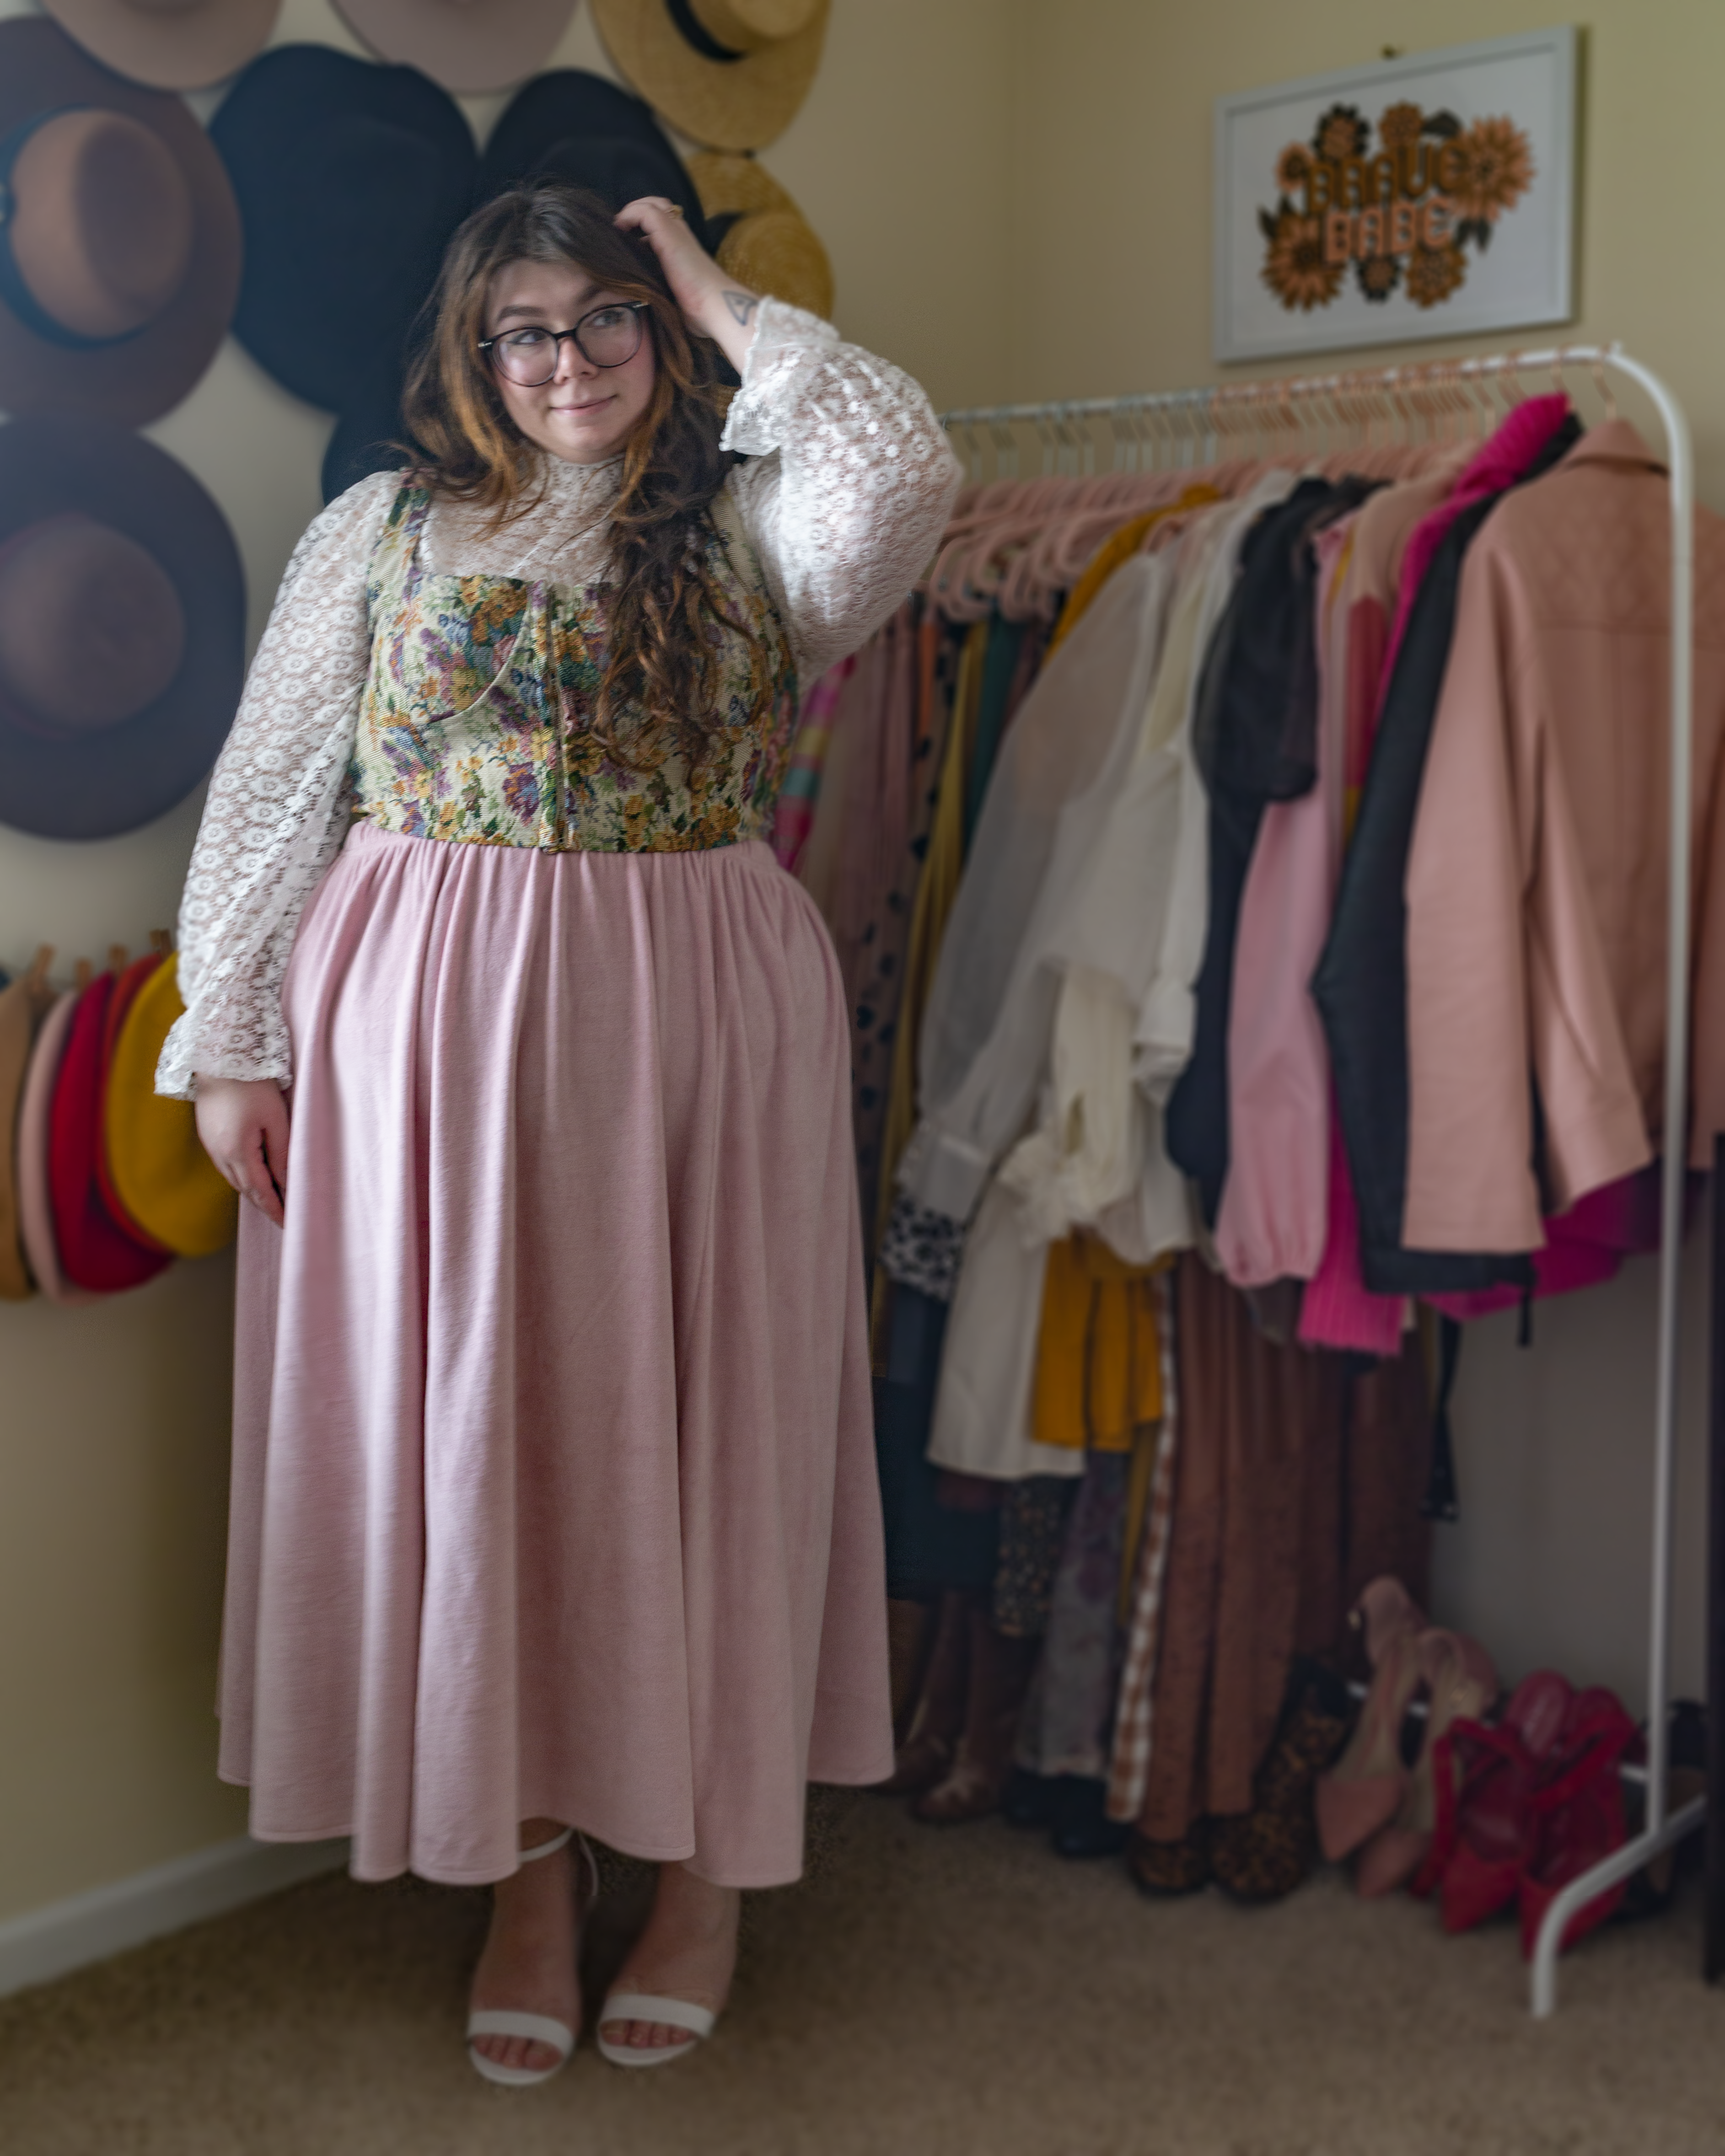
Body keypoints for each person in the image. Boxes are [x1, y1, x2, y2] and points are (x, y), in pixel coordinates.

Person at [160, 182, 961, 2086]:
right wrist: (236, 1036)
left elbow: (907, 465)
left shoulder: (762, 527)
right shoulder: (382, 529)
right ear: (472, 348)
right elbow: (277, 781)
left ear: (662, 332)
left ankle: (698, 1875)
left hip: (688, 1032)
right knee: (469, 1437)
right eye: (527, 328)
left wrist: (706, 281)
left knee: (692, 1428)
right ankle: (520, 1869)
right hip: (419, 1041)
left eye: (608, 321)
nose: (569, 362)